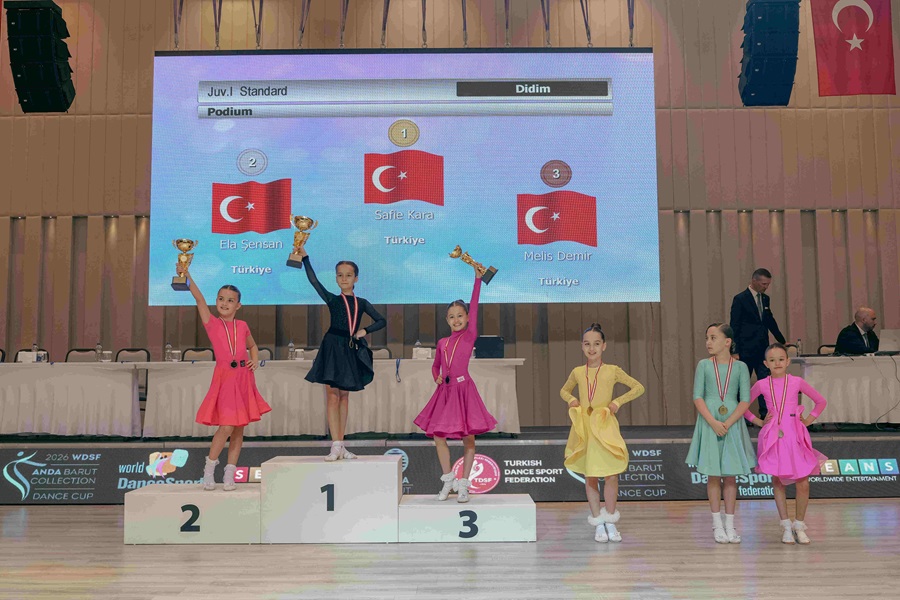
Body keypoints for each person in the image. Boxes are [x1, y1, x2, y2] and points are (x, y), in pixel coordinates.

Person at [179, 267, 271, 491]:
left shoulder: (242, 325)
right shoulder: (212, 323)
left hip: (243, 379)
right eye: (221, 299)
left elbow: (252, 346)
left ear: (238, 305)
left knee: (239, 428)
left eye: (230, 300)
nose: (225, 303)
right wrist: (187, 276)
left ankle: (230, 473)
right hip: (225, 378)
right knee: (227, 426)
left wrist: (255, 360)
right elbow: (199, 299)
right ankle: (209, 470)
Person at [414, 271, 497, 503]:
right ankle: (448, 479)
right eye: (452, 317)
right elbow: (436, 366)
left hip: (464, 391)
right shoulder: (442, 342)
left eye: (460, 315)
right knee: (438, 435)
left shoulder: (469, 336)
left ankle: (464, 484)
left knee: (468, 438)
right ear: (447, 320)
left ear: (468, 318)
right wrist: (436, 377)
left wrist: (477, 280)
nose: (456, 320)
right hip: (445, 393)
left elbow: (475, 304)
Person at [295, 248, 386, 461]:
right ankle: (335, 445)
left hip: (350, 347)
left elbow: (381, 320)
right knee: (332, 395)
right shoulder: (333, 299)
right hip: (332, 346)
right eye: (340, 275)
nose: (344, 278)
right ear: (336, 278)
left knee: (344, 396)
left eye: (348, 275)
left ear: (356, 278)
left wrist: (364, 331)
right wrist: (305, 258)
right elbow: (314, 281)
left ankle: (341, 444)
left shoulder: (362, 302)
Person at [560, 323, 645, 543]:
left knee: (611, 474)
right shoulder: (578, 372)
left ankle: (610, 520)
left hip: (605, 425)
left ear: (604, 346)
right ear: (582, 346)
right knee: (590, 475)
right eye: (587, 344)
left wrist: (617, 402)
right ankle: (598, 522)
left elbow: (638, 387)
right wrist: (572, 399)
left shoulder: (612, 370)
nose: (592, 348)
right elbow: (564, 390)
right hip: (586, 427)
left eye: (596, 344)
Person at [745, 343, 827, 545]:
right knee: (778, 480)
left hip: (795, 434)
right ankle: (785, 525)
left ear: (788, 361)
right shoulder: (762, 384)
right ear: (766, 364)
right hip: (773, 435)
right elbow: (743, 406)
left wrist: (808, 420)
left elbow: (821, 401)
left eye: (781, 359)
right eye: (772, 360)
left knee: (803, 481)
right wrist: (758, 421)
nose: (777, 363)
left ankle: (799, 524)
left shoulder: (797, 381)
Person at [685, 323, 756, 544]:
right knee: (713, 475)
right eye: (707, 338)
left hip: (732, 422)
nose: (708, 342)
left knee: (731, 475)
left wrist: (729, 422)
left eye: (713, 338)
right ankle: (717, 525)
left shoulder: (741, 367)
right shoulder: (704, 365)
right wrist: (713, 422)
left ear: (727, 342)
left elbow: (745, 400)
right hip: (710, 422)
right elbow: (698, 396)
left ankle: (730, 525)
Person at [730, 268, 786, 419]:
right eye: (763, 284)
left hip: (762, 349)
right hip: (745, 349)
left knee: (765, 383)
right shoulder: (740, 299)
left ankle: (766, 415)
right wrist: (734, 350)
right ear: (754, 281)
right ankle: (740, 416)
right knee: (743, 385)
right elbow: (734, 325)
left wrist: (781, 339)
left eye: (768, 284)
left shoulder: (765, 299)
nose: (766, 287)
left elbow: (769, 320)